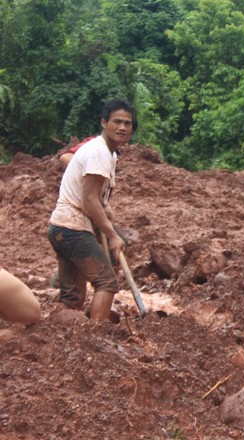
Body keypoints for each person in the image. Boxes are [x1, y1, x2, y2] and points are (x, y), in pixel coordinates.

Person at [47, 99, 137, 321]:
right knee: (107, 282)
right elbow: (89, 199)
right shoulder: (98, 152)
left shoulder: (109, 154)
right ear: (104, 122)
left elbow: (94, 198)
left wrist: (105, 210)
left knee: (72, 298)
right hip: (72, 229)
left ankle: (59, 339)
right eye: (117, 122)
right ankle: (96, 338)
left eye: (128, 123)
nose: (123, 127)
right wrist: (112, 234)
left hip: (61, 227)